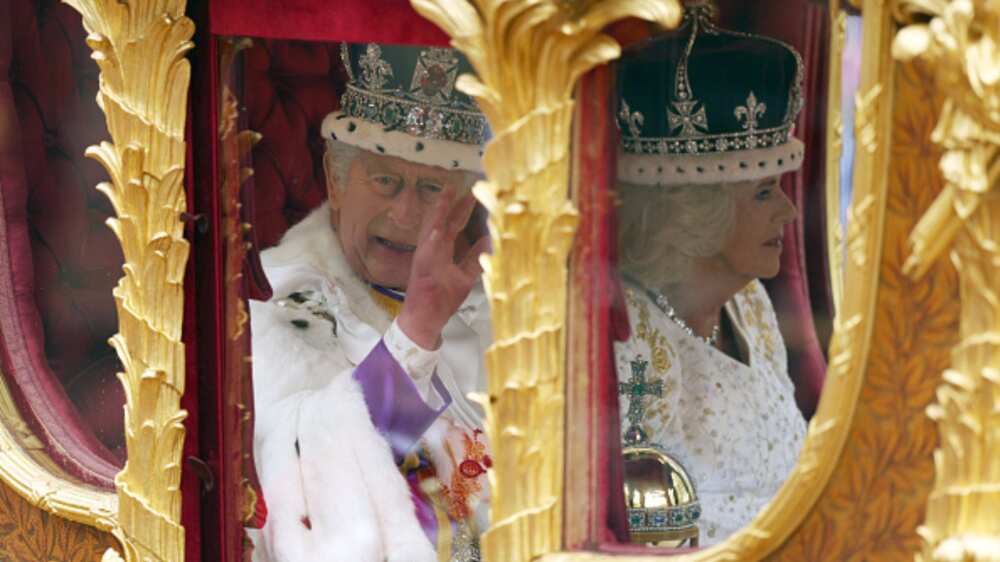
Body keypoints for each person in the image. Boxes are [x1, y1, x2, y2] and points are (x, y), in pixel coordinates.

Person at [249, 43, 492, 562]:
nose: (404, 214)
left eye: (430, 189)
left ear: (468, 204)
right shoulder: (275, 299)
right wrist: (416, 334)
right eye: (385, 180)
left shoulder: (499, 298)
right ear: (336, 182)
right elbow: (307, 485)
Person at [612, 3, 809, 547]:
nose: (790, 214)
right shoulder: (631, 341)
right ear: (694, 208)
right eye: (764, 192)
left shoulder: (751, 307)